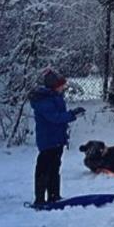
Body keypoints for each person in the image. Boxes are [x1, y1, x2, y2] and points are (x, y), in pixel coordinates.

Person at [29, 68, 85, 206]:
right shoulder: (44, 100)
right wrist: (72, 115)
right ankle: (40, 199)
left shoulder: (55, 97)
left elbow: (59, 116)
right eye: (61, 85)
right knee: (44, 169)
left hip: (57, 139)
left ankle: (54, 195)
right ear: (54, 86)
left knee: (55, 168)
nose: (63, 87)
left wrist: (71, 114)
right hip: (48, 141)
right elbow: (55, 118)